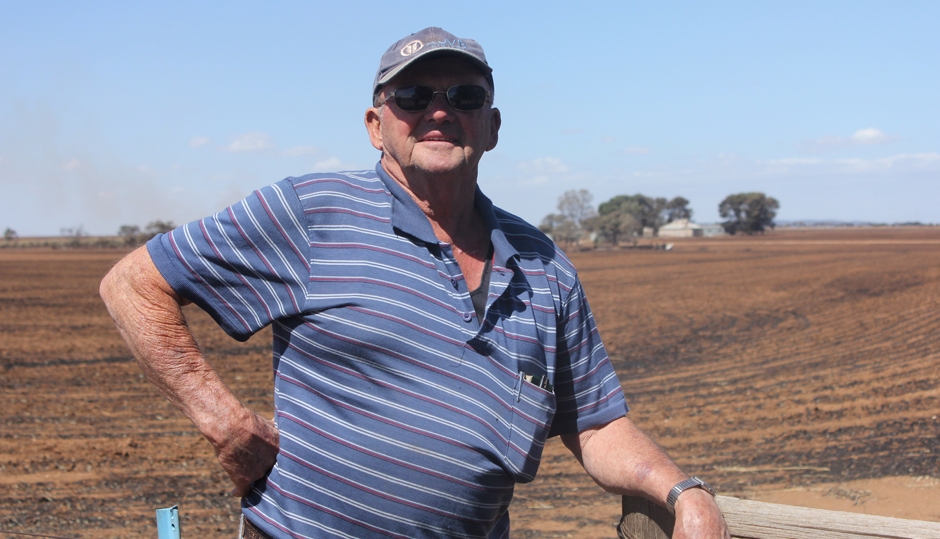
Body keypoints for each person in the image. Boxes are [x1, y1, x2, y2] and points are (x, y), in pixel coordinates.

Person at [100, 27, 729, 539]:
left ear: (492, 126)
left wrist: (682, 491)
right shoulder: (313, 213)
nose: (438, 111)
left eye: (464, 96)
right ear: (376, 125)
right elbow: (132, 285)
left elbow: (593, 423)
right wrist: (221, 419)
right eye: (411, 97)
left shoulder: (544, 266)